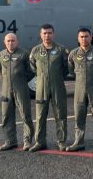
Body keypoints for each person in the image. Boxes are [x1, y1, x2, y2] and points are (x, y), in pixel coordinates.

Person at [29, 24, 69, 152]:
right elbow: (33, 67)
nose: (47, 35)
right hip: (41, 87)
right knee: (40, 116)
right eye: (44, 33)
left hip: (58, 86)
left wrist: (55, 76)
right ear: (40, 35)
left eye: (49, 33)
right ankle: (40, 142)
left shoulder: (61, 50)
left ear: (54, 34)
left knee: (60, 115)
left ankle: (61, 141)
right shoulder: (35, 51)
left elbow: (66, 68)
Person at [0, 33, 34, 151]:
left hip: (21, 88)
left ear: (17, 42)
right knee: (6, 116)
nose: (10, 43)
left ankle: (27, 141)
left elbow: (31, 71)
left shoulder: (24, 54)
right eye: (8, 41)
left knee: (25, 115)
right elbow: (0, 69)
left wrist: (21, 79)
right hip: (6, 89)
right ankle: (10, 141)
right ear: (4, 42)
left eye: (13, 40)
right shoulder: (0, 55)